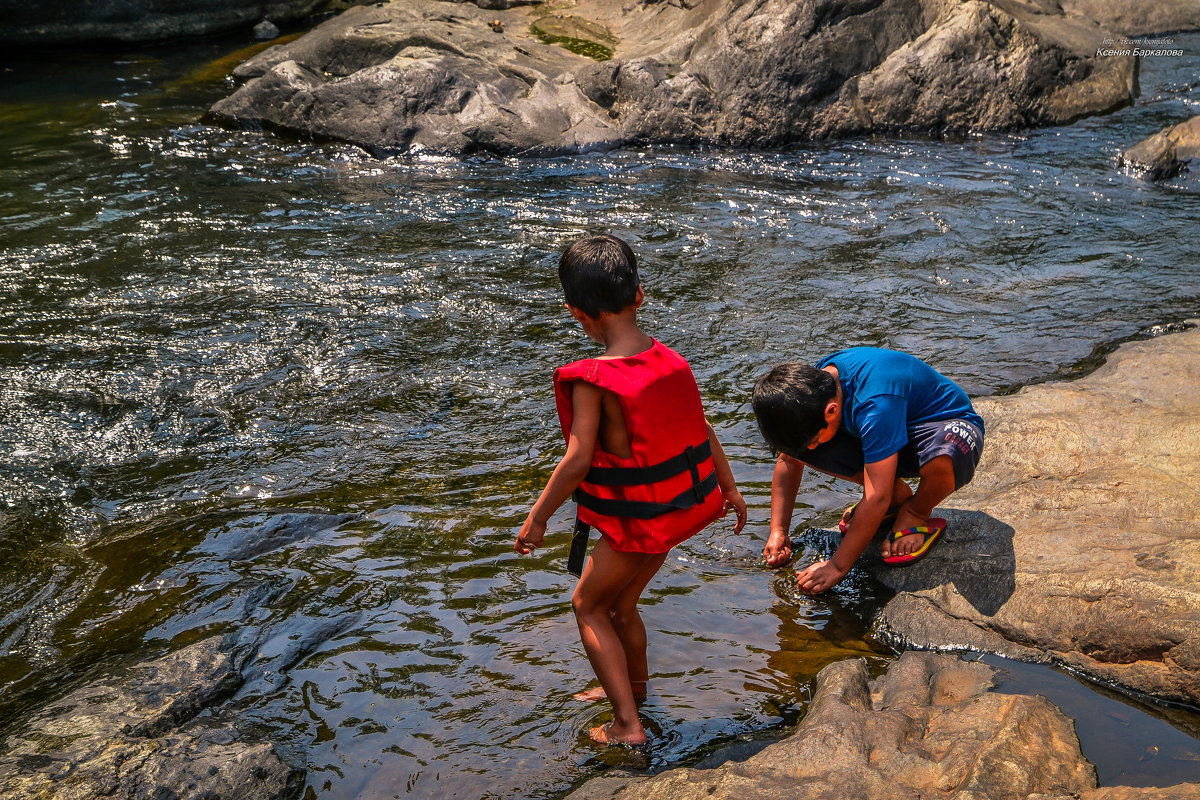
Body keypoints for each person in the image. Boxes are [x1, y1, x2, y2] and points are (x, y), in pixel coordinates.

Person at [514, 234, 747, 747]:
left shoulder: (593, 381)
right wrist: (728, 487)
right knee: (622, 606)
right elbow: (701, 431)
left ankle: (627, 725)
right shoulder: (672, 360)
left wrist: (538, 517)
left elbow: (577, 461)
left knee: (587, 606)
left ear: (576, 312)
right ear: (639, 295)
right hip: (675, 513)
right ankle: (631, 695)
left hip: (637, 523)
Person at [751, 348, 984, 594]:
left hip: (941, 428)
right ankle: (896, 498)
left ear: (831, 411)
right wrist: (778, 531)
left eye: (815, 440)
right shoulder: (815, 387)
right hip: (890, 433)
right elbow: (789, 460)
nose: (811, 448)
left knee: (947, 453)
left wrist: (836, 567)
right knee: (805, 447)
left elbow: (875, 497)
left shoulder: (875, 404)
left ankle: (916, 510)